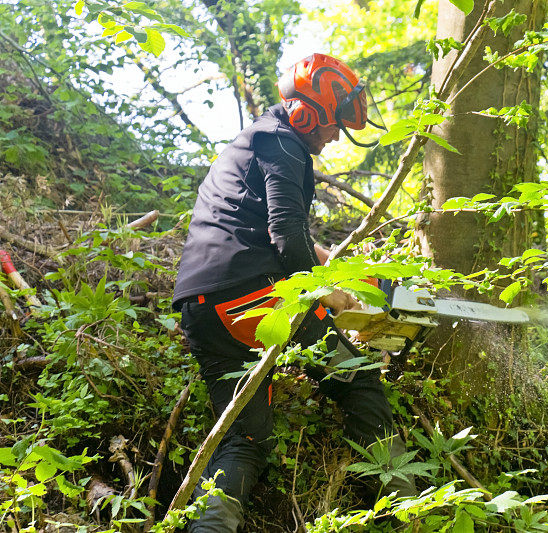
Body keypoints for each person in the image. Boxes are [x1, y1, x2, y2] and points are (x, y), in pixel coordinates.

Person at [172, 53, 414, 532]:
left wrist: (327, 264)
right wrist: (326, 294)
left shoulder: (259, 140)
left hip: (204, 307)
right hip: (255, 298)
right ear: (307, 113)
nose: (335, 136)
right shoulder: (282, 142)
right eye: (334, 125)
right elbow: (284, 229)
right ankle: (408, 509)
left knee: (244, 438)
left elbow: (269, 228)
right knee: (360, 383)